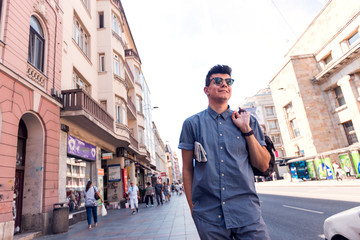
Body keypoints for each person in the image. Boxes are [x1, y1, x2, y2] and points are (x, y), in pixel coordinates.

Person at [179, 65, 271, 239]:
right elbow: (187, 170)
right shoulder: (192, 124)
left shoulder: (248, 120)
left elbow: (263, 164)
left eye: (228, 81)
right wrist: (194, 210)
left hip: (248, 214)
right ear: (206, 90)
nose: (224, 84)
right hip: (209, 218)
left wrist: (246, 130)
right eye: (218, 81)